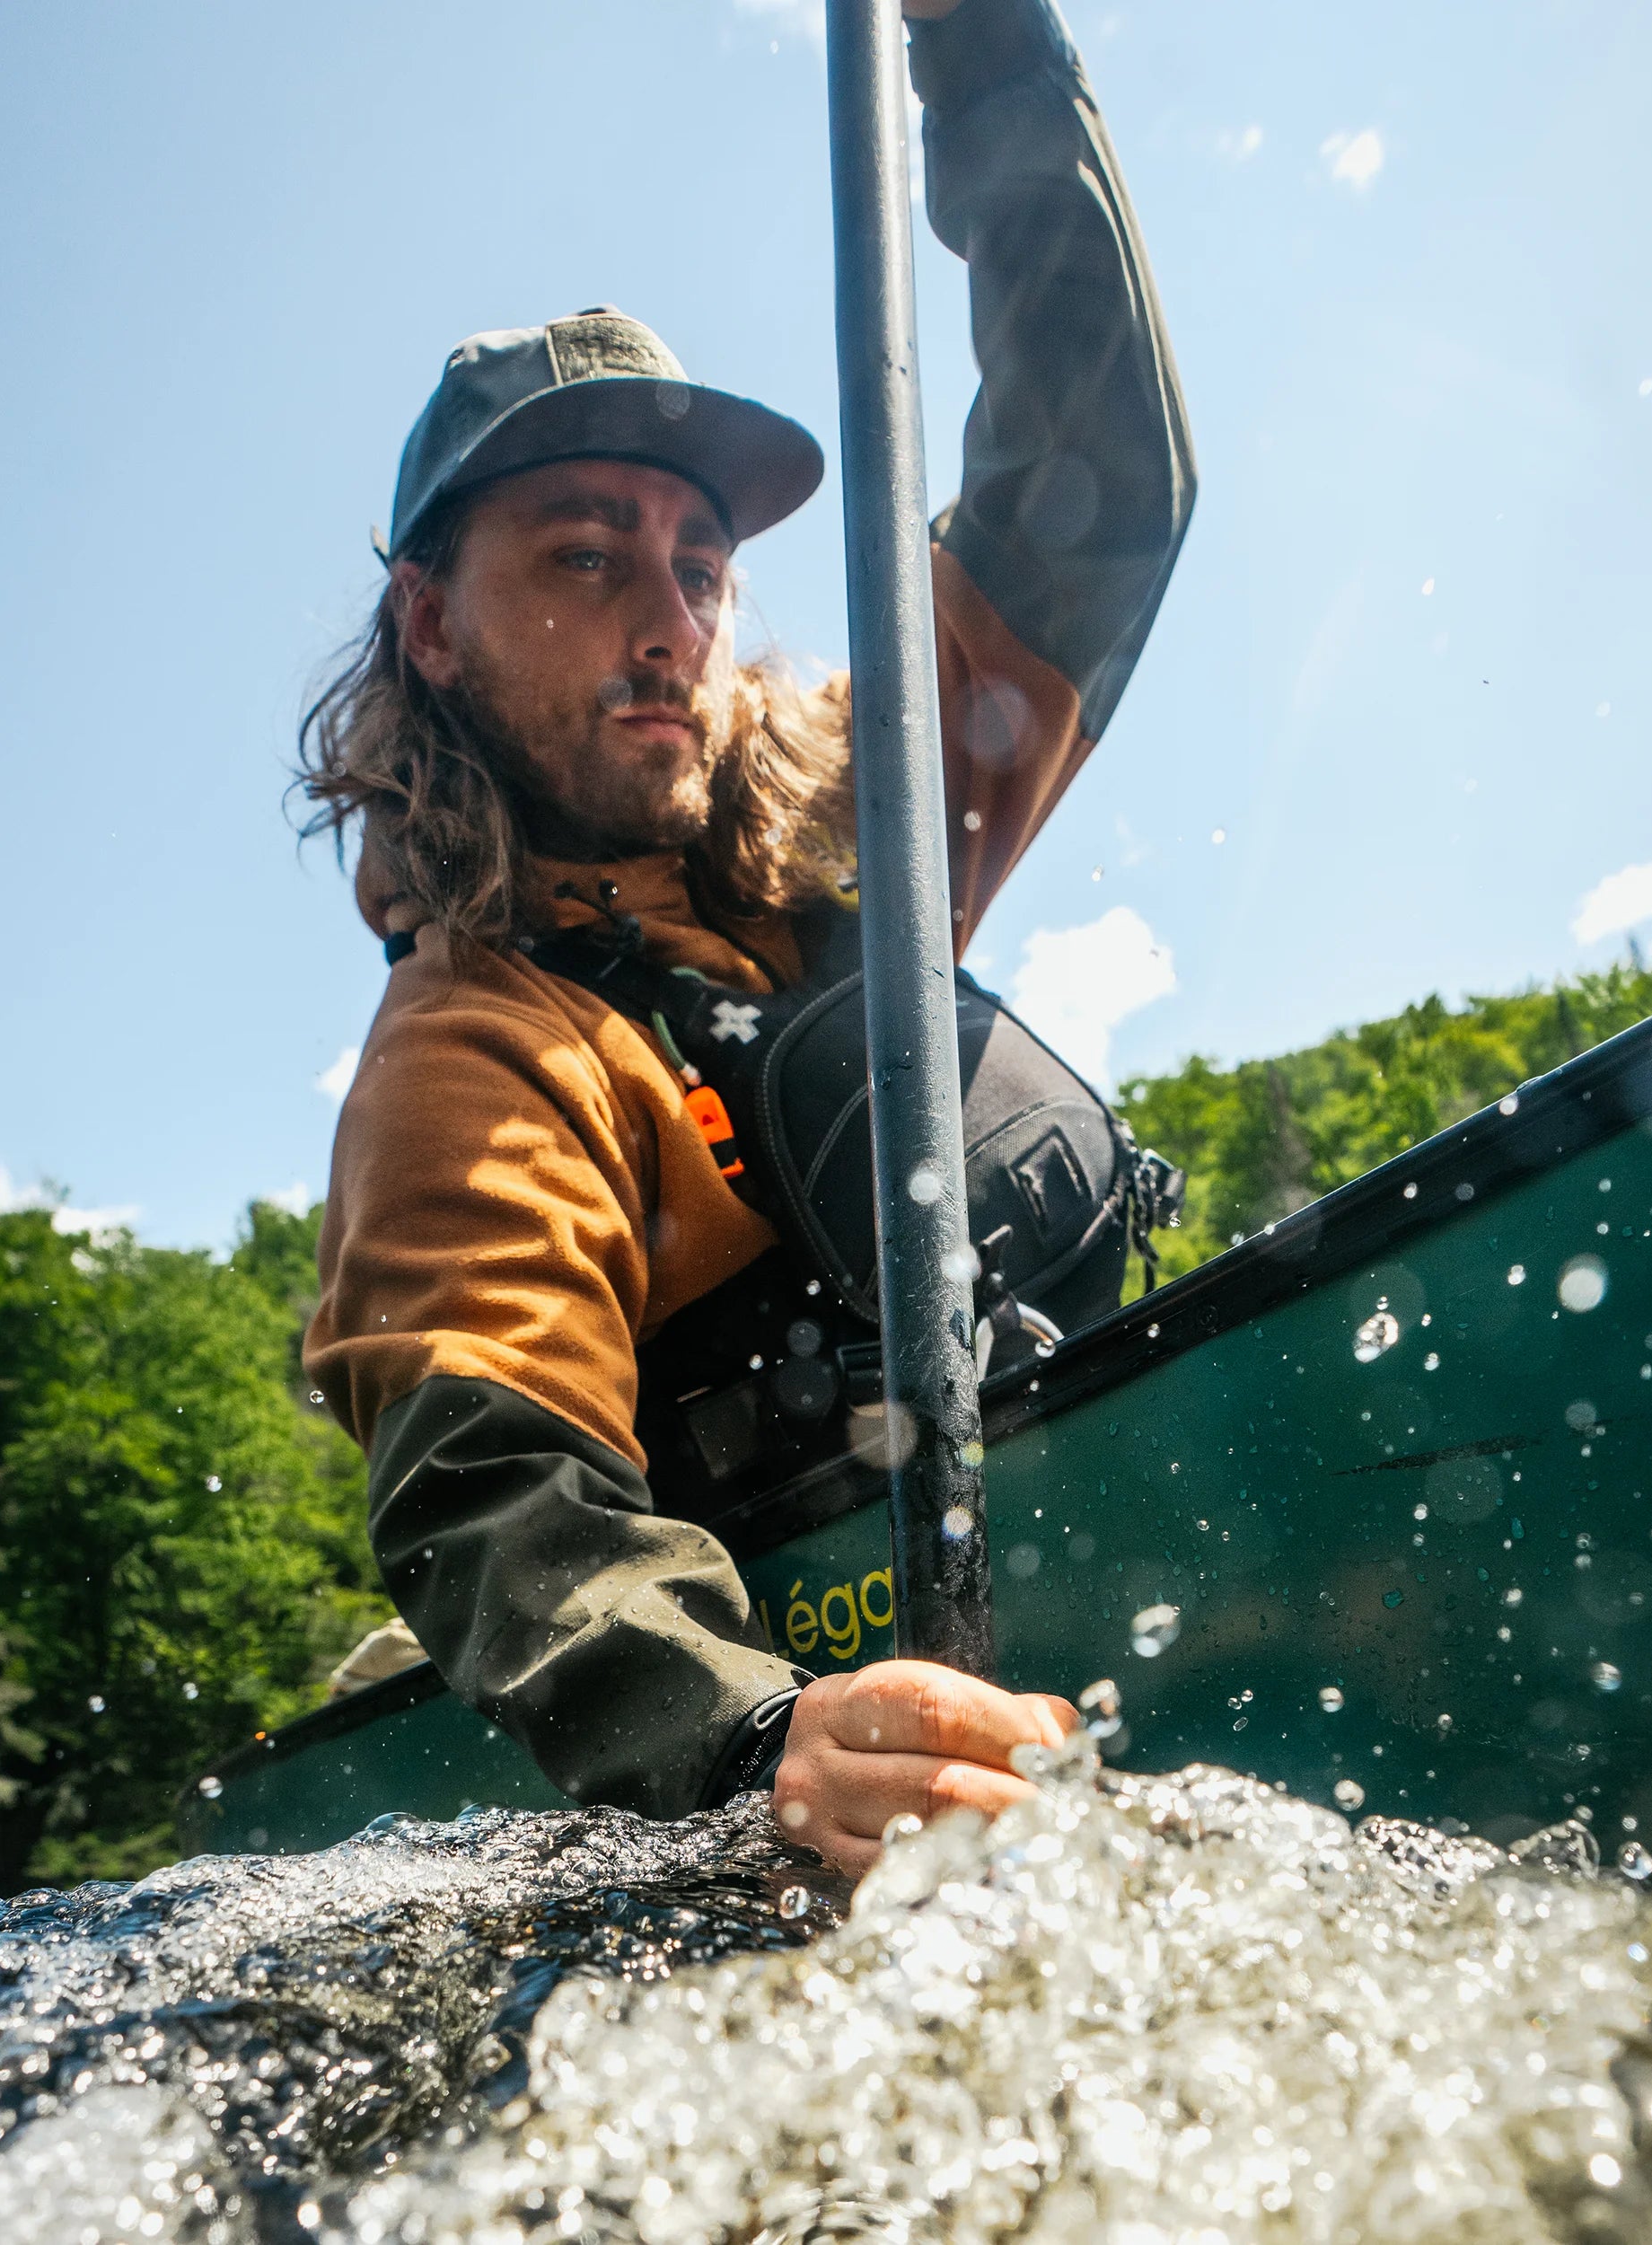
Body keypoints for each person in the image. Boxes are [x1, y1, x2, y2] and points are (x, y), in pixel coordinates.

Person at [297, 0, 1191, 1877]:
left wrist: (982, 48)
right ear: (433, 623)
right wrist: (756, 1737)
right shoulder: (471, 1053)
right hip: (795, 1722)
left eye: (696, 564)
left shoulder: (847, 822)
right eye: (581, 554)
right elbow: (505, 1500)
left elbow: (1093, 479)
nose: (668, 617)